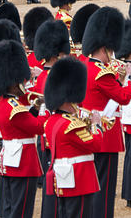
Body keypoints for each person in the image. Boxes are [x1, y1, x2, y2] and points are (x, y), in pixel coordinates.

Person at [81, 7, 131, 218]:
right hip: (105, 135)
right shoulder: (102, 73)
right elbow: (123, 97)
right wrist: (130, 78)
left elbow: (108, 94)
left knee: (92, 183)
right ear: (105, 48)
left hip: (89, 131)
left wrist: (119, 79)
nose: (112, 55)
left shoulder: (84, 65)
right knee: (104, 188)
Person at [43, 56, 105, 218]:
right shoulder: (71, 125)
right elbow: (95, 144)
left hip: (64, 178)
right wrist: (96, 125)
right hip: (79, 181)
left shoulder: (51, 121)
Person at [0, 40, 46, 218]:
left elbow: (24, 122)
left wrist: (36, 108)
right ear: (14, 83)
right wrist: (47, 109)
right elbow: (39, 127)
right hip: (23, 164)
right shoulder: (14, 108)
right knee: (21, 210)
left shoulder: (3, 103)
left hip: (11, 161)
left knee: (9, 207)